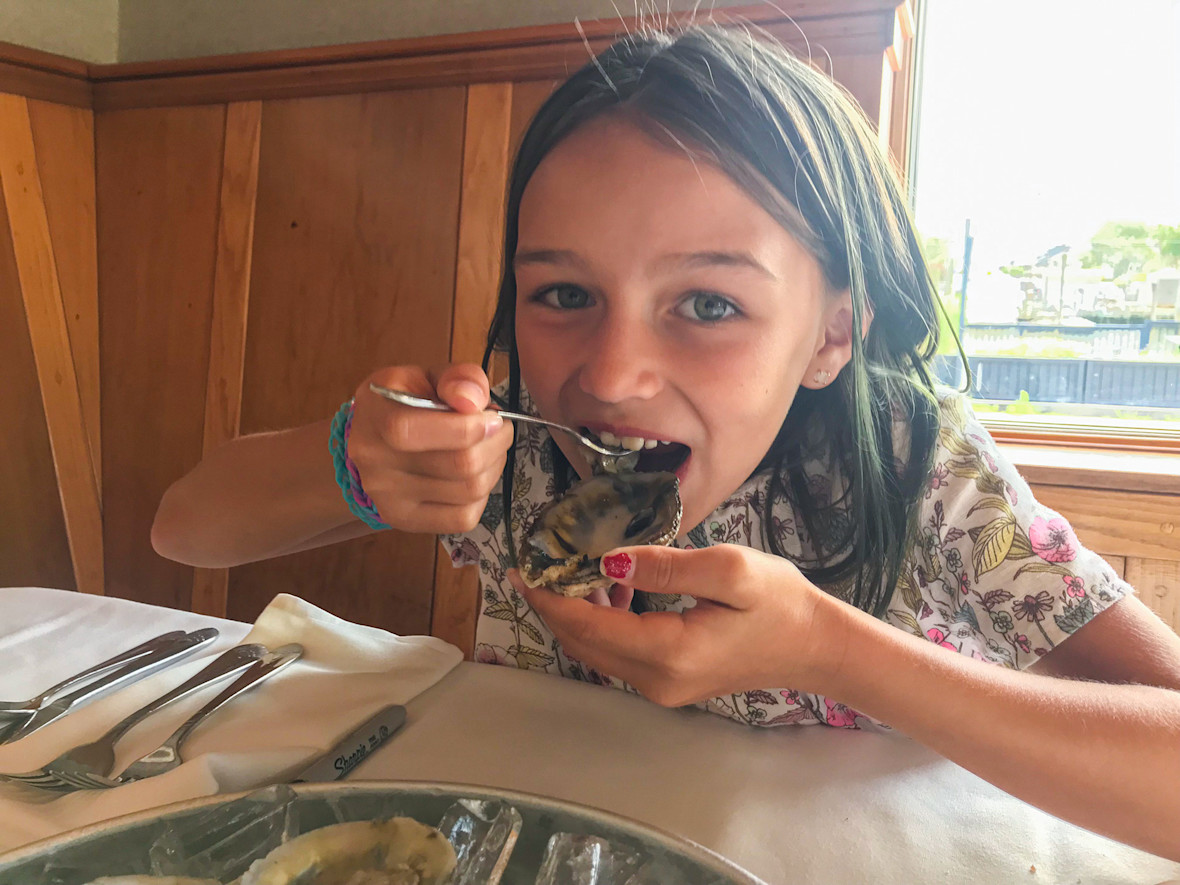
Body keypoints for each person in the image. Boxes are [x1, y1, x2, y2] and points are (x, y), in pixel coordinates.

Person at [151, 24, 1180, 861]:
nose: (608, 373)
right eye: (563, 294)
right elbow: (185, 529)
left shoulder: (915, 461)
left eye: (705, 301)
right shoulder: (513, 457)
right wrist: (355, 464)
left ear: (829, 333)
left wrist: (832, 650)